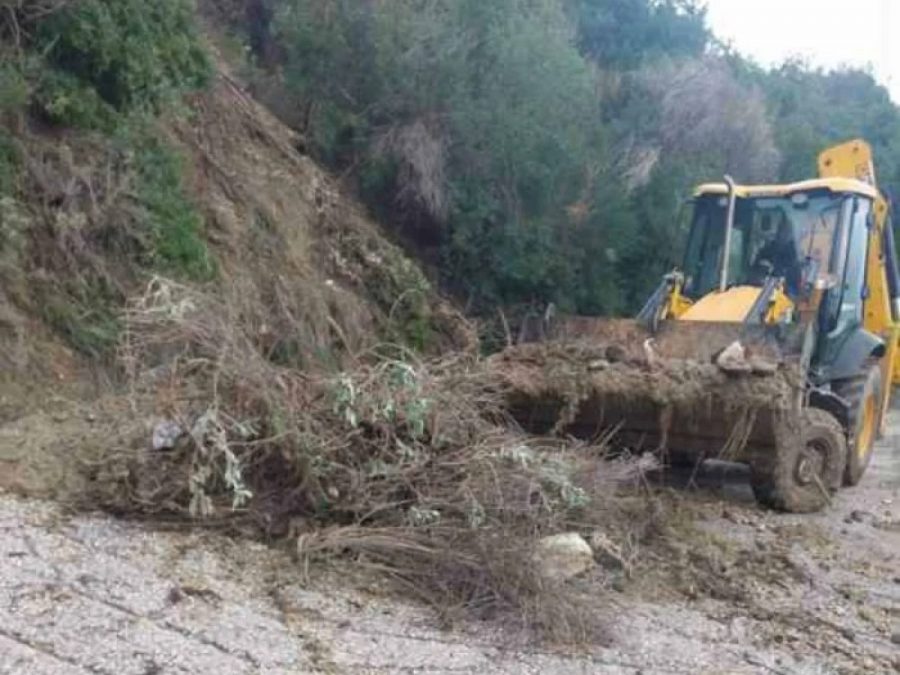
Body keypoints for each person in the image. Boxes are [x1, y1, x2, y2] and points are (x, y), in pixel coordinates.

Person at [751, 214, 801, 294]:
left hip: (783, 298)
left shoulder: (794, 262)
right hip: (758, 296)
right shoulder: (765, 252)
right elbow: (753, 276)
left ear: (791, 235)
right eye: (781, 230)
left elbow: (795, 291)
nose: (783, 234)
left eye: (787, 231)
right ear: (778, 232)